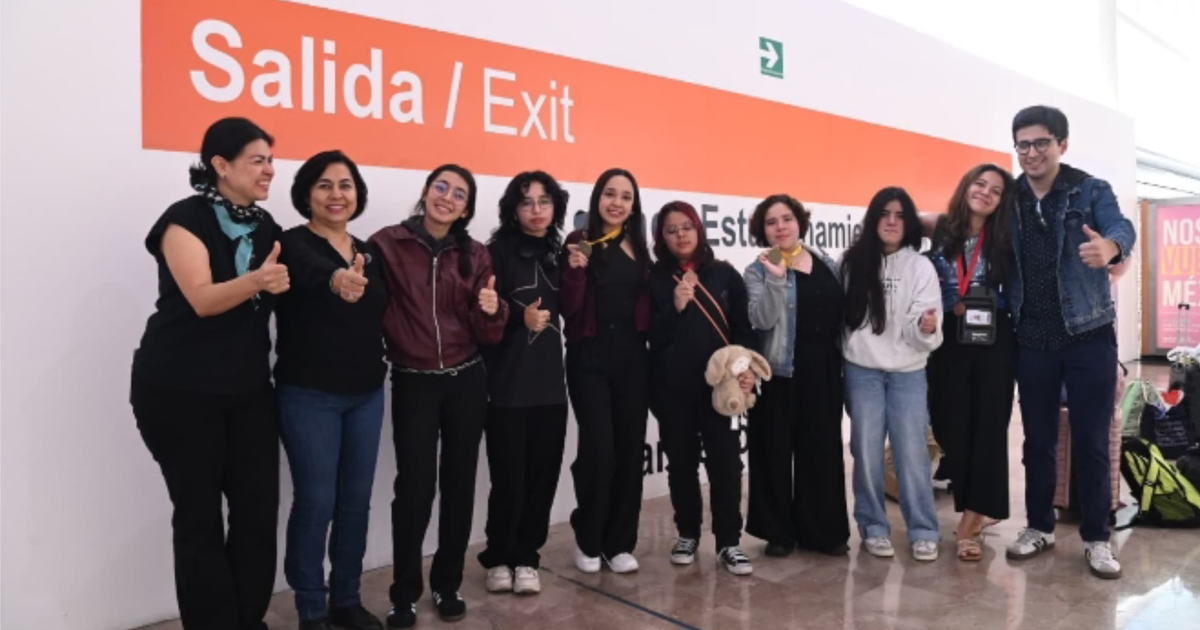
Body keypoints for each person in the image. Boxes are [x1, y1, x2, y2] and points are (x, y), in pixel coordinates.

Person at [130, 117, 285, 630]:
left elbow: (294, 279)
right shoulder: (184, 220)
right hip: (179, 389)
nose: (269, 170)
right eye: (257, 160)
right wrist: (258, 280)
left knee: (257, 512)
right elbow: (201, 299)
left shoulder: (265, 226)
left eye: (270, 159)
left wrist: (339, 283)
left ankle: (246, 619)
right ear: (220, 165)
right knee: (198, 516)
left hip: (247, 390)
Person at [369, 164, 508, 627]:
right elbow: (369, 308)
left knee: (460, 483)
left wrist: (494, 310)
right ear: (427, 191)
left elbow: (489, 332)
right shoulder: (386, 244)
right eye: (441, 187)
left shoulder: (476, 253)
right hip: (414, 380)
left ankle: (447, 583)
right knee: (414, 488)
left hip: (467, 379)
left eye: (459, 194)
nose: (447, 197)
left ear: (466, 208)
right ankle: (404, 592)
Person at [1001, 105, 1135, 579]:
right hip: (1032, 339)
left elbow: (1121, 227)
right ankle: (1039, 526)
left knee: (1092, 440)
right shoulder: (1011, 197)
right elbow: (964, 219)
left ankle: (1098, 538)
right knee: (1037, 441)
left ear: (1062, 144)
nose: (1032, 152)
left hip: (1088, 336)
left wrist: (1111, 248)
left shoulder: (1089, 189)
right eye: (1023, 144)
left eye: (1041, 142)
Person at [274, 150, 387, 630]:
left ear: (357, 193)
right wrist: (337, 278)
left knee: (355, 502)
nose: (336, 195)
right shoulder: (290, 244)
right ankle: (312, 608)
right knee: (316, 501)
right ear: (306, 194)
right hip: (309, 395)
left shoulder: (370, 252)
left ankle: (346, 598)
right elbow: (309, 269)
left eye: (345, 185)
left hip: (367, 394)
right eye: (324, 185)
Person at [649, 201, 756, 575]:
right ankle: (687, 534)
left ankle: (729, 541)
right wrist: (675, 308)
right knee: (681, 465)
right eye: (671, 229)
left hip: (721, 393)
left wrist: (745, 372)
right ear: (661, 237)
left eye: (687, 226)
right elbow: (649, 335)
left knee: (726, 465)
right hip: (672, 390)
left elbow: (743, 331)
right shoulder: (655, 278)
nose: (680, 234)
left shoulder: (724, 274)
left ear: (699, 229)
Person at [743, 194, 851, 558]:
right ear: (762, 230)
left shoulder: (825, 261)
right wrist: (776, 280)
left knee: (821, 450)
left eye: (786, 219)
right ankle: (778, 533)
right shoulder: (757, 271)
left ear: (799, 222)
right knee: (773, 453)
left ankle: (822, 532)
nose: (780, 227)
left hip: (824, 368)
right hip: (778, 371)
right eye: (771, 222)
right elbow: (761, 321)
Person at [478, 171, 570, 595]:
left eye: (544, 201)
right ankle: (499, 556)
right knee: (508, 481)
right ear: (512, 210)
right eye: (527, 202)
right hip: (507, 386)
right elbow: (482, 309)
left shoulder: (561, 254)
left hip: (551, 386)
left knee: (541, 480)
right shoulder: (494, 253)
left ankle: (527, 557)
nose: (536, 210)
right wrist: (520, 317)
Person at [841, 187, 943, 562]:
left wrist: (927, 327)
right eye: (884, 213)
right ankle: (873, 526)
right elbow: (842, 320)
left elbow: (925, 328)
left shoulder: (920, 267)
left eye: (900, 215)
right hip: (862, 371)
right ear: (873, 219)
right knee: (866, 453)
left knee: (912, 454)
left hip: (908, 373)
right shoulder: (852, 263)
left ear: (909, 222)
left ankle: (924, 530)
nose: (891, 221)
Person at [924, 164, 1017, 562]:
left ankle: (972, 517)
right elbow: (895, 222)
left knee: (989, 428)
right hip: (948, 337)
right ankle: (976, 507)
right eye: (980, 184)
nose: (985, 193)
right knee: (950, 425)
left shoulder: (1008, 236)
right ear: (966, 187)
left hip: (996, 338)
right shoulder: (941, 229)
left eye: (996, 190)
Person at [561, 168, 652, 574]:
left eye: (626, 196)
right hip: (589, 359)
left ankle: (619, 544)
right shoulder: (579, 241)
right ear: (598, 198)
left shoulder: (640, 246)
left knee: (630, 454)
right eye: (610, 194)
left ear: (634, 205)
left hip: (633, 361)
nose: (617, 202)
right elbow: (568, 308)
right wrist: (575, 272)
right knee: (599, 452)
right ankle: (588, 536)